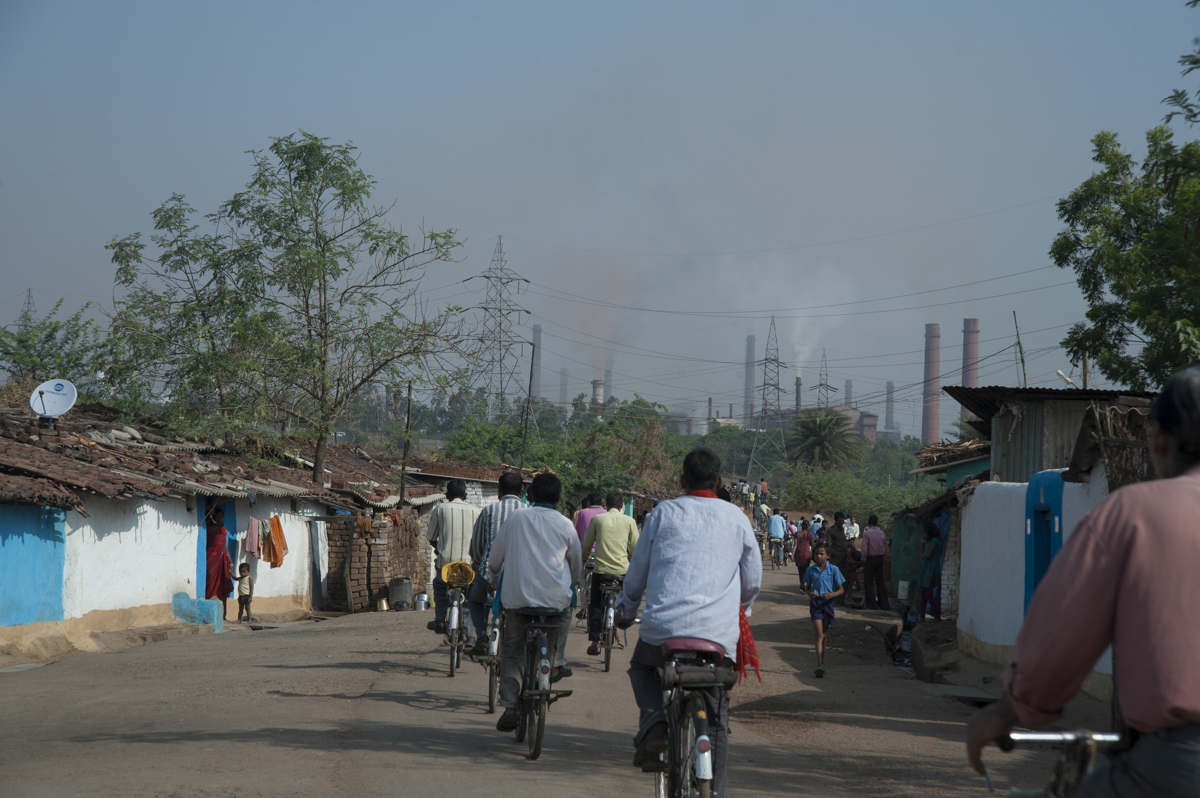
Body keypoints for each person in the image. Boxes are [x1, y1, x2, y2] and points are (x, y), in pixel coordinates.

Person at [967, 365, 1200, 795]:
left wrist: (1006, 713)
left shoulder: (1131, 514)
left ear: (1160, 438)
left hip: (1173, 766)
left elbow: (1062, 634)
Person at [616, 448, 760, 797]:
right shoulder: (736, 517)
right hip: (717, 637)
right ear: (720, 482)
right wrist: (742, 610)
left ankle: (655, 724)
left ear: (681, 481)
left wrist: (625, 609)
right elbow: (752, 580)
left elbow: (637, 575)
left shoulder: (663, 512)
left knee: (640, 668)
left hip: (662, 631)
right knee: (717, 722)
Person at [488, 473, 581, 733]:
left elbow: (494, 562)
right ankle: (557, 660)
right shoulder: (565, 524)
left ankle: (510, 705)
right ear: (559, 497)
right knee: (564, 612)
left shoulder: (516, 519)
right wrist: (570, 583)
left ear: (529, 494)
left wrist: (494, 580)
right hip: (554, 602)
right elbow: (576, 569)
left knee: (512, 649)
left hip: (517, 601)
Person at [466, 471, 525, 655]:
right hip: (518, 578)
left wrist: (477, 563)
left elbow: (476, 547)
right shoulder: (528, 512)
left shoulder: (488, 511)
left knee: (475, 602)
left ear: (499, 490)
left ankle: (482, 636)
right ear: (522, 490)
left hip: (487, 574)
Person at [582, 491, 640, 656]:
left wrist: (584, 557)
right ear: (622, 506)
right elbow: (635, 546)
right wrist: (629, 560)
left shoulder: (598, 519)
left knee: (595, 603)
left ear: (605, 505)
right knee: (624, 598)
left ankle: (594, 639)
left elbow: (587, 544)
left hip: (600, 571)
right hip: (622, 571)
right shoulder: (629, 521)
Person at [424, 479, 481, 634]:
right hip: (469, 567)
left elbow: (431, 538)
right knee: (469, 598)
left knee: (440, 587)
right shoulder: (476, 511)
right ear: (465, 495)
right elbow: (480, 541)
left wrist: (439, 549)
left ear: (447, 494)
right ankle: (470, 634)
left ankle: (440, 620)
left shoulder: (440, 509)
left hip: (446, 565)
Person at [802, 543, 845, 678]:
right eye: (816, 554)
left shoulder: (834, 570)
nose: (818, 556)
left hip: (828, 603)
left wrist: (832, 595)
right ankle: (819, 665)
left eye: (821, 554)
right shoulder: (810, 570)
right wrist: (809, 594)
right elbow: (807, 587)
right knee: (819, 634)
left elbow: (841, 589)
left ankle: (822, 662)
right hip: (816, 604)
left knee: (824, 634)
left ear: (828, 556)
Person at [204, 507, 234, 621]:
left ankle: (221, 614)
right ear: (213, 517)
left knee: (221, 587)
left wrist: (230, 560)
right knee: (210, 583)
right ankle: (209, 613)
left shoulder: (223, 530)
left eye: (222, 517)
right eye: (219, 517)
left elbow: (224, 545)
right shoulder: (208, 530)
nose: (221, 519)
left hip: (222, 561)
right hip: (211, 560)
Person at [860, 515, 891, 611]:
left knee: (868, 581)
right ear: (877, 523)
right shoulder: (882, 533)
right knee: (880, 581)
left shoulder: (867, 533)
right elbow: (885, 547)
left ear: (869, 523)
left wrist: (863, 559)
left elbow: (864, 549)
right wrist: (884, 557)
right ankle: (884, 605)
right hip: (880, 558)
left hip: (870, 558)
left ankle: (872, 604)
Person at [917, 521, 942, 622]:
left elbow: (927, 555)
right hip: (926, 569)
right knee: (923, 593)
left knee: (928, 593)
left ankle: (937, 616)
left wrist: (923, 555)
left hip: (931, 570)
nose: (924, 533)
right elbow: (922, 554)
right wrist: (922, 544)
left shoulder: (935, 541)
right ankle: (922, 616)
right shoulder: (929, 542)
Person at [826, 512, 851, 605]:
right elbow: (829, 545)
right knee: (834, 578)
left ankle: (841, 599)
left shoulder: (842, 529)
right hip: (836, 558)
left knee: (844, 578)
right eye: (840, 521)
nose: (841, 522)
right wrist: (836, 554)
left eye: (842, 521)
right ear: (835, 520)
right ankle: (832, 599)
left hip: (844, 557)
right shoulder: (831, 530)